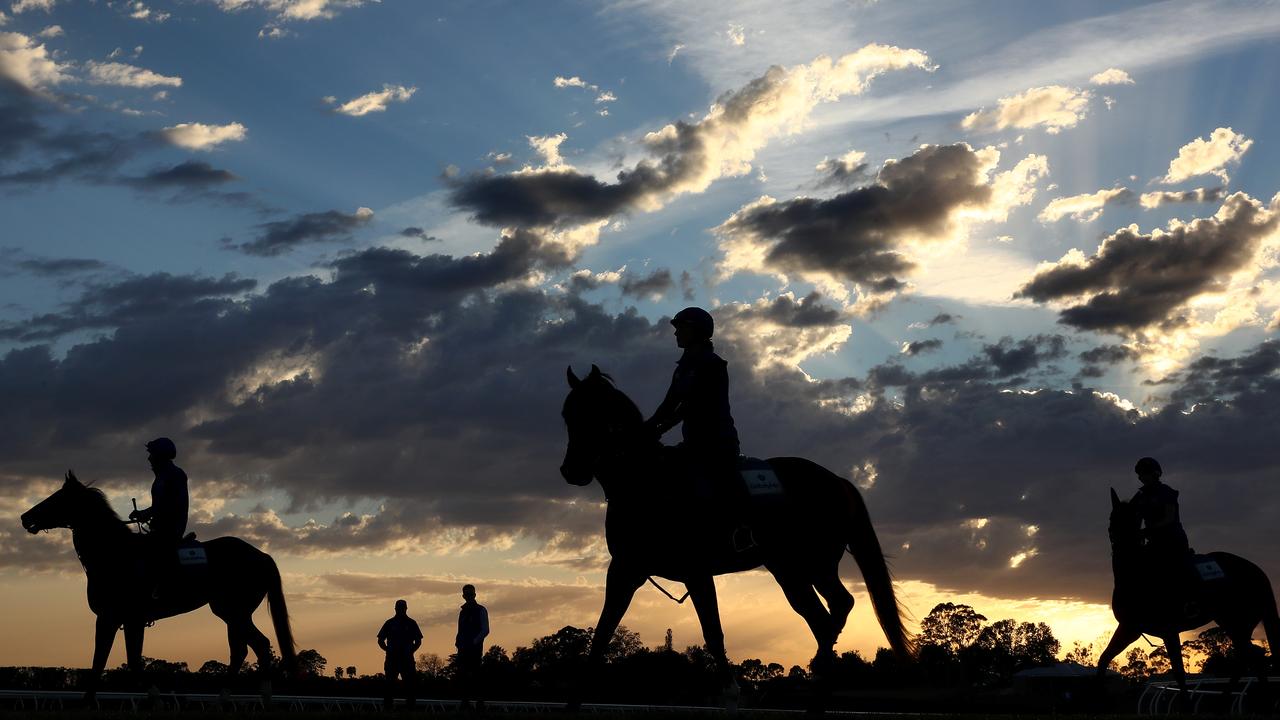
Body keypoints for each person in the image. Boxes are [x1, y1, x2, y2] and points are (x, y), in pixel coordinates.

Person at [643, 307, 751, 549]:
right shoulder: (682, 368)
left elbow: (691, 406)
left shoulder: (713, 365)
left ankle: (744, 528)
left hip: (718, 442)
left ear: (698, 331)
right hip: (693, 442)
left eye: (682, 328)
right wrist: (645, 427)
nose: (676, 334)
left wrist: (660, 429)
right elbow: (668, 404)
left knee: (720, 479)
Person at [1129, 457, 1194, 614]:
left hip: (1172, 539)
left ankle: (1190, 601)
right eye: (1140, 474)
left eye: (1145, 473)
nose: (1141, 477)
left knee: (1177, 568)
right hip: (1153, 542)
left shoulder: (1167, 492)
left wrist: (1148, 530)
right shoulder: (1140, 496)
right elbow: (1134, 518)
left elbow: (1169, 518)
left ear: (1155, 474)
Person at [127, 437, 189, 599]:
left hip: (170, 528)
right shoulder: (162, 476)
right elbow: (160, 506)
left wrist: (145, 514)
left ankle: (161, 588)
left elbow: (170, 505)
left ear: (160, 456)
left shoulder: (175, 475)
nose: (149, 458)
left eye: (152, 454)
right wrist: (144, 513)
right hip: (161, 526)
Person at [378, 599, 422, 710]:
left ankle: (411, 709)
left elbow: (418, 641)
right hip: (392, 659)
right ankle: (388, 708)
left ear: (406, 608)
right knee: (389, 686)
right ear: (395, 609)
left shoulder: (412, 623)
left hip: (407, 660)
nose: (401, 610)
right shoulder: (389, 623)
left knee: (410, 686)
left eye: (402, 608)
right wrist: (388, 650)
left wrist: (411, 651)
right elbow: (380, 639)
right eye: (399, 608)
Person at [455, 584, 489, 712]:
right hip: (463, 649)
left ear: (474, 595)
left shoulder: (481, 610)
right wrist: (458, 642)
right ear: (463, 596)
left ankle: (480, 703)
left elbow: (485, 630)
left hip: (474, 650)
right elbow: (460, 630)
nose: (468, 596)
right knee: (463, 677)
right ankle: (465, 703)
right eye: (466, 594)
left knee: (476, 677)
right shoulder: (462, 612)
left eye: (471, 594)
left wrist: (474, 642)